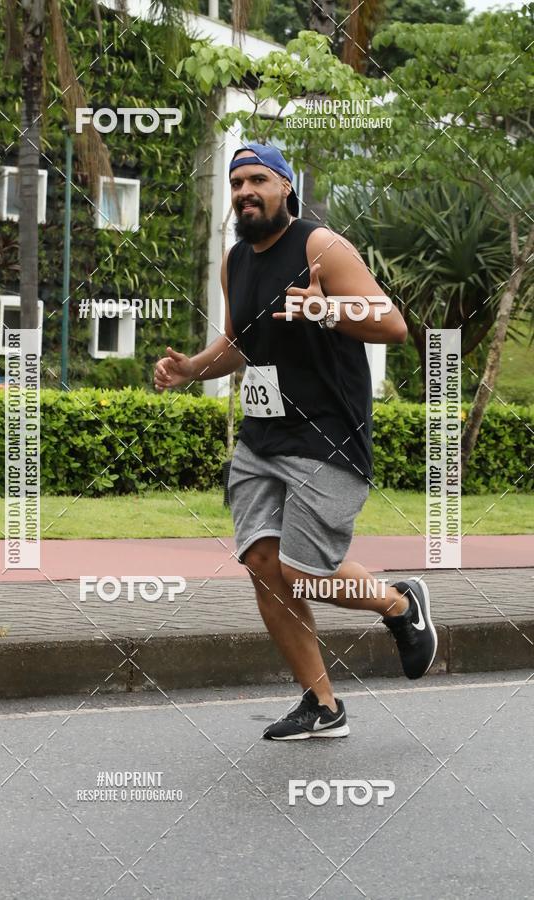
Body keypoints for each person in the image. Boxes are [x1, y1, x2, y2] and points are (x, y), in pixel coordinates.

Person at [154, 142, 437, 742]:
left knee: (304, 573)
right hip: (262, 438)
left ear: (286, 186)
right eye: (236, 183)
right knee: (262, 564)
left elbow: (391, 323)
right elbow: (239, 344)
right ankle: (321, 704)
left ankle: (399, 603)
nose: (245, 192)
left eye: (258, 179)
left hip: (327, 437)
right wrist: (191, 370)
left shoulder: (321, 246)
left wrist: (326, 309)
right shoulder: (235, 260)